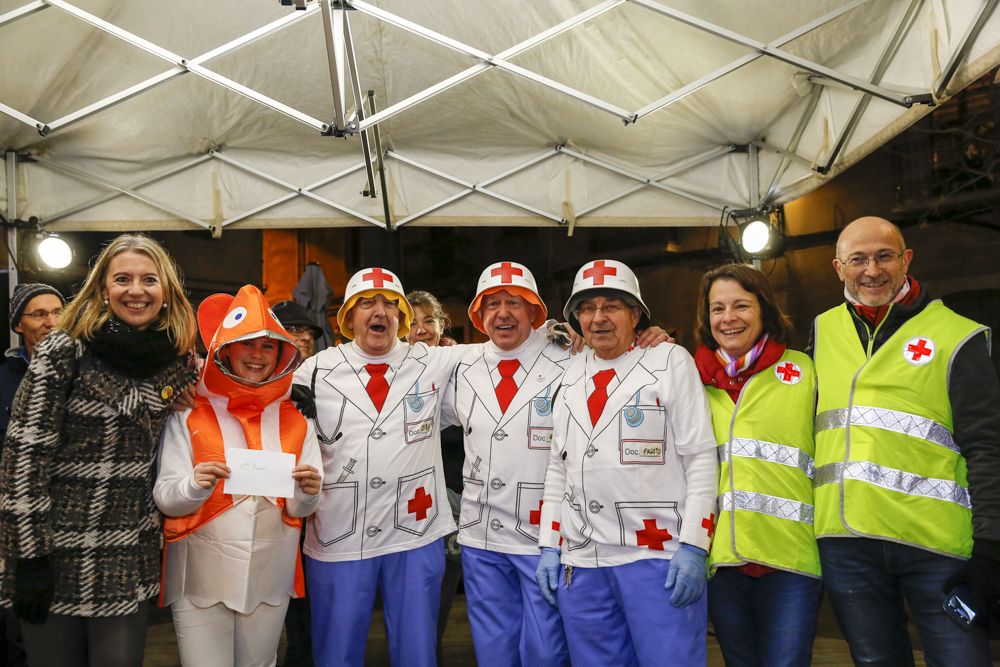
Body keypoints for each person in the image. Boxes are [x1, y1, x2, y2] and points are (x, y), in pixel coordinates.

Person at [0, 234, 198, 666]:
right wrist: (30, 557)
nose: (136, 290)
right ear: (102, 289)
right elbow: (22, 463)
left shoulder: (179, 360)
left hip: (126, 556)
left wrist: (295, 393)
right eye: (122, 278)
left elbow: (240, 386)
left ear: (165, 292)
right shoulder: (64, 351)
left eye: (149, 279)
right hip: (56, 553)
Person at [812, 216, 1000, 666]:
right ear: (839, 267)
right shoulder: (821, 332)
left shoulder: (958, 335)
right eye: (858, 259)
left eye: (884, 256)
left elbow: (988, 447)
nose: (872, 270)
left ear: (906, 260)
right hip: (847, 541)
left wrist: (992, 546)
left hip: (936, 546)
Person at [535, 259, 718, 667]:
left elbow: (701, 456)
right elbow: (557, 467)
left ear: (635, 314)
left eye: (612, 306)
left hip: (655, 556)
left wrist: (693, 544)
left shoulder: (669, 361)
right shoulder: (570, 369)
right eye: (587, 308)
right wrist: (550, 546)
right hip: (582, 561)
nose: (598, 318)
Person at [295, 268, 470, 667]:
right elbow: (255, 391)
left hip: (415, 531)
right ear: (349, 319)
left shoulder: (435, 362)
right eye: (367, 304)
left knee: (418, 650)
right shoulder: (315, 371)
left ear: (403, 318)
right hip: (339, 532)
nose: (381, 312)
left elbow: (506, 351)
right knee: (336, 650)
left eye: (391, 304)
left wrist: (559, 333)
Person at [155, 284, 322, 667]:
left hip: (271, 575)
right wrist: (195, 485)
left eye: (268, 346)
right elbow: (166, 497)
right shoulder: (188, 413)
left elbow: (299, 505)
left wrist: (310, 492)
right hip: (199, 576)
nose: (257, 355)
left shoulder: (296, 421)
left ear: (282, 354)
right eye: (247, 343)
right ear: (226, 349)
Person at [443, 262, 572, 667]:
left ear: (534, 311)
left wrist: (647, 338)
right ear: (479, 316)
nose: (503, 313)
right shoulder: (459, 364)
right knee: (494, 651)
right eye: (492, 303)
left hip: (542, 537)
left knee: (547, 651)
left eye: (514, 303)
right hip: (482, 539)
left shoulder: (569, 358)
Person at [694, 264, 820, 667]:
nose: (728, 318)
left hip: (791, 561)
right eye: (717, 308)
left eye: (741, 306)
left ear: (764, 309)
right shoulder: (691, 382)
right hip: (722, 564)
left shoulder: (806, 371)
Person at [0, 283, 65, 667]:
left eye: (57, 312)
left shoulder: (82, 369)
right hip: (10, 513)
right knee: (18, 621)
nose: (51, 322)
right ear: (18, 324)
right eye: (39, 314)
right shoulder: (5, 376)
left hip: (62, 508)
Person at [405, 290, 464, 666]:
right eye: (411, 323)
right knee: (417, 605)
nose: (421, 330)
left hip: (458, 506)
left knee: (441, 601)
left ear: (443, 326)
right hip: (412, 509)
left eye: (429, 320)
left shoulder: (463, 366)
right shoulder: (389, 373)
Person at [272, 297, 324, 667]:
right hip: (268, 501)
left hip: (315, 501)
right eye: (291, 330)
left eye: (305, 331)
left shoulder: (328, 373)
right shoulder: (257, 372)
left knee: (307, 595)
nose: (301, 337)